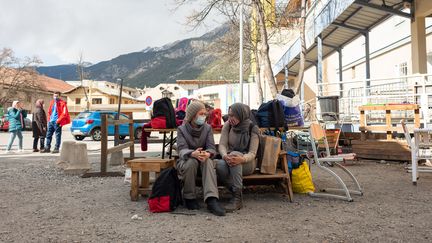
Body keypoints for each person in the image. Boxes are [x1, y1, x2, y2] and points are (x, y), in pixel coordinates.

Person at [176, 101, 225, 216]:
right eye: (201, 113)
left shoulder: (207, 128)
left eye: (204, 113)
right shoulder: (181, 130)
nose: (204, 116)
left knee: (208, 161)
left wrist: (207, 154)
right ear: (193, 115)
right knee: (191, 162)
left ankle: (211, 199)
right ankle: (189, 197)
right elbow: (181, 149)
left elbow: (212, 148)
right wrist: (192, 153)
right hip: (187, 160)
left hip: (203, 161)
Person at [216, 103, 260, 212]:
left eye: (233, 115)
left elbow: (252, 153)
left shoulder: (253, 128)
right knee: (219, 164)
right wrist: (225, 155)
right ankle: (236, 192)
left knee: (235, 155)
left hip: (247, 162)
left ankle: (237, 199)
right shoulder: (228, 125)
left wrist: (242, 159)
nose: (230, 118)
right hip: (229, 160)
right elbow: (222, 145)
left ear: (241, 114)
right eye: (229, 115)